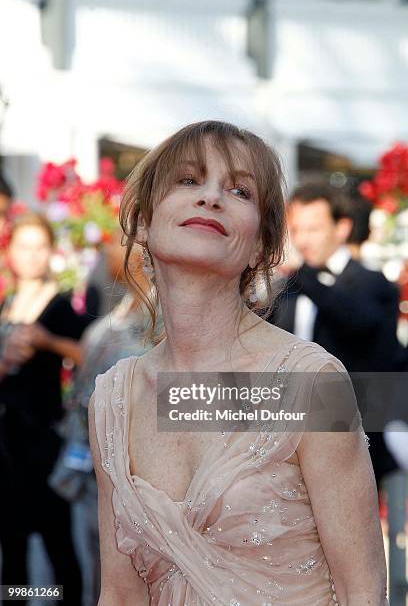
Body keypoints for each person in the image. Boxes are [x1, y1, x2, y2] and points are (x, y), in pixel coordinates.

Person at [89, 121, 388, 605]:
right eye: (188, 180)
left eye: (239, 190)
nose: (211, 197)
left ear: (259, 247)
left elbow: (363, 591)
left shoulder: (310, 383)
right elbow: (119, 595)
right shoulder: (113, 400)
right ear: (142, 220)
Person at [49, 228, 162, 606]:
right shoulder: (123, 307)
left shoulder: (160, 316)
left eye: (118, 242)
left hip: (130, 468)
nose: (106, 252)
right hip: (89, 462)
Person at [270, 183, 407, 488]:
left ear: (342, 228)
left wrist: (302, 276)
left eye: (314, 229)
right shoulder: (287, 289)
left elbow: (358, 323)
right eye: (297, 229)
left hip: (358, 440)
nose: (302, 239)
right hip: (289, 441)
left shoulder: (373, 284)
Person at [0, 212, 87, 605]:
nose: (32, 256)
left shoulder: (61, 305)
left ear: (50, 253)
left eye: (40, 248)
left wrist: (48, 341)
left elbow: (87, 355)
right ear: (11, 254)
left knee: (57, 544)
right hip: (7, 447)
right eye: (25, 248)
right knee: (12, 547)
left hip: (44, 444)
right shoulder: (7, 303)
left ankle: (63, 601)